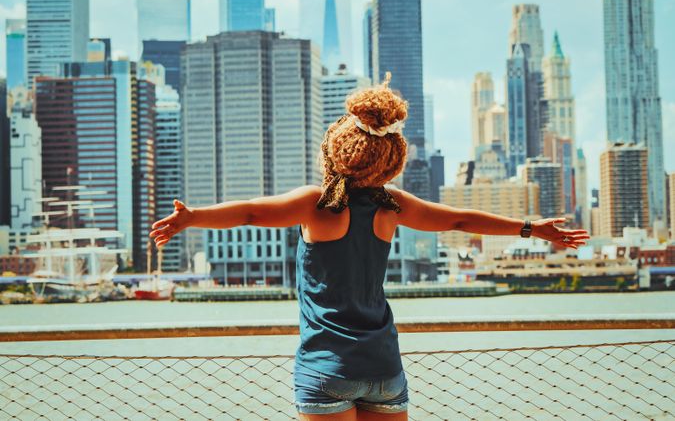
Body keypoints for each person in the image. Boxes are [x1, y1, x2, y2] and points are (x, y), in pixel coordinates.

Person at [149, 72, 589, 421]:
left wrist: (193, 218)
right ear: (390, 155)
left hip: (327, 369)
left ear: (336, 147)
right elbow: (459, 218)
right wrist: (531, 227)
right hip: (384, 370)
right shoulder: (391, 205)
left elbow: (249, 212)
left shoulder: (317, 204)